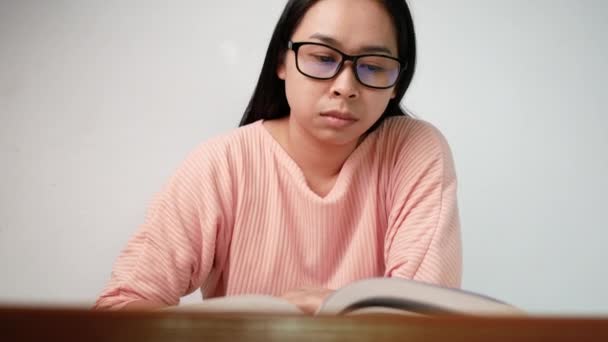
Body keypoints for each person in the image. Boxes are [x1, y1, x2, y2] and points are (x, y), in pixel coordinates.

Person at [94, 0, 462, 313]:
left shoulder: (413, 150)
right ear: (282, 62)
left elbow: (425, 317)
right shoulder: (223, 163)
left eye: (374, 66)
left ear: (397, 82)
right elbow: (123, 304)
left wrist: (333, 309)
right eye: (322, 57)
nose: (345, 87)